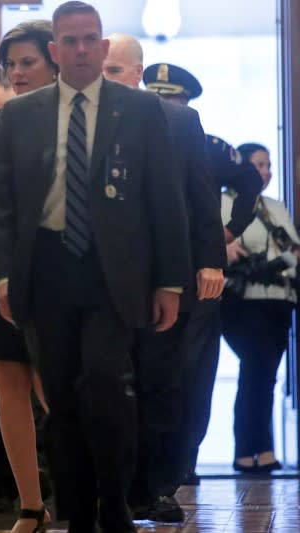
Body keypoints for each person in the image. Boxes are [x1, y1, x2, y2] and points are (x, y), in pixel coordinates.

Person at [0, 2, 193, 532]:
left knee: (104, 385)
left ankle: (114, 499)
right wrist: (4, 277)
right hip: (46, 269)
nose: (80, 50)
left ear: (102, 47)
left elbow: (165, 200)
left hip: (112, 273)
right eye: (69, 41)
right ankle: (76, 512)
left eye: (89, 39)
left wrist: (170, 280)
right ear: (55, 51)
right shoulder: (19, 115)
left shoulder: (140, 111)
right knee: (59, 397)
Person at [104, 33, 226, 523]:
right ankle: (118, 485)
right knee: (109, 384)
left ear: (136, 73)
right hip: (106, 278)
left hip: (167, 277)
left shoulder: (180, 120)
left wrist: (210, 261)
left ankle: (160, 486)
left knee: (163, 383)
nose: (105, 77)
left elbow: (201, 195)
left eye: (115, 70)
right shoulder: (83, 118)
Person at [142, 62, 263, 486]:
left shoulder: (208, 146)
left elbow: (249, 182)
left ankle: (184, 461)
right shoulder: (132, 138)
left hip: (199, 273)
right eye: (155, 94)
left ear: (186, 102)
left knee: (193, 370)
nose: (163, 103)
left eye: (171, 97)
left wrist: (229, 232)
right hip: (146, 272)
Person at [0, 19, 59, 524]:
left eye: (28, 62)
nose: (18, 73)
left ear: (54, 60)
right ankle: (31, 505)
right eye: (10, 65)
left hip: (55, 275)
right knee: (7, 384)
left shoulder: (76, 120)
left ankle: (88, 492)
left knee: (57, 389)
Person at [222, 143, 297, 474]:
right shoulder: (223, 204)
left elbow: (294, 253)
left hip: (279, 303)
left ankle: (261, 448)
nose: (265, 172)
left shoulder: (276, 206)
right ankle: (249, 449)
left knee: (264, 376)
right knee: (255, 371)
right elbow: (229, 252)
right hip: (243, 302)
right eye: (258, 165)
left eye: (268, 165)